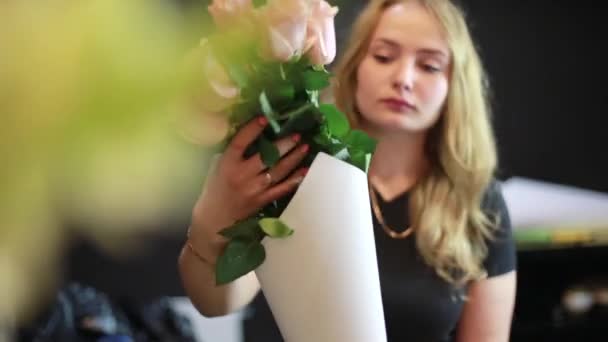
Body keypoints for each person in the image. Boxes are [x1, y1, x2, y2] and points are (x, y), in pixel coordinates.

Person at [178, 0, 517, 341]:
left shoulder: (478, 201)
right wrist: (211, 222)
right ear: (356, 65)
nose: (403, 79)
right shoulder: (298, 166)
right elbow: (218, 302)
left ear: (454, 84)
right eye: (384, 57)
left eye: (429, 66)